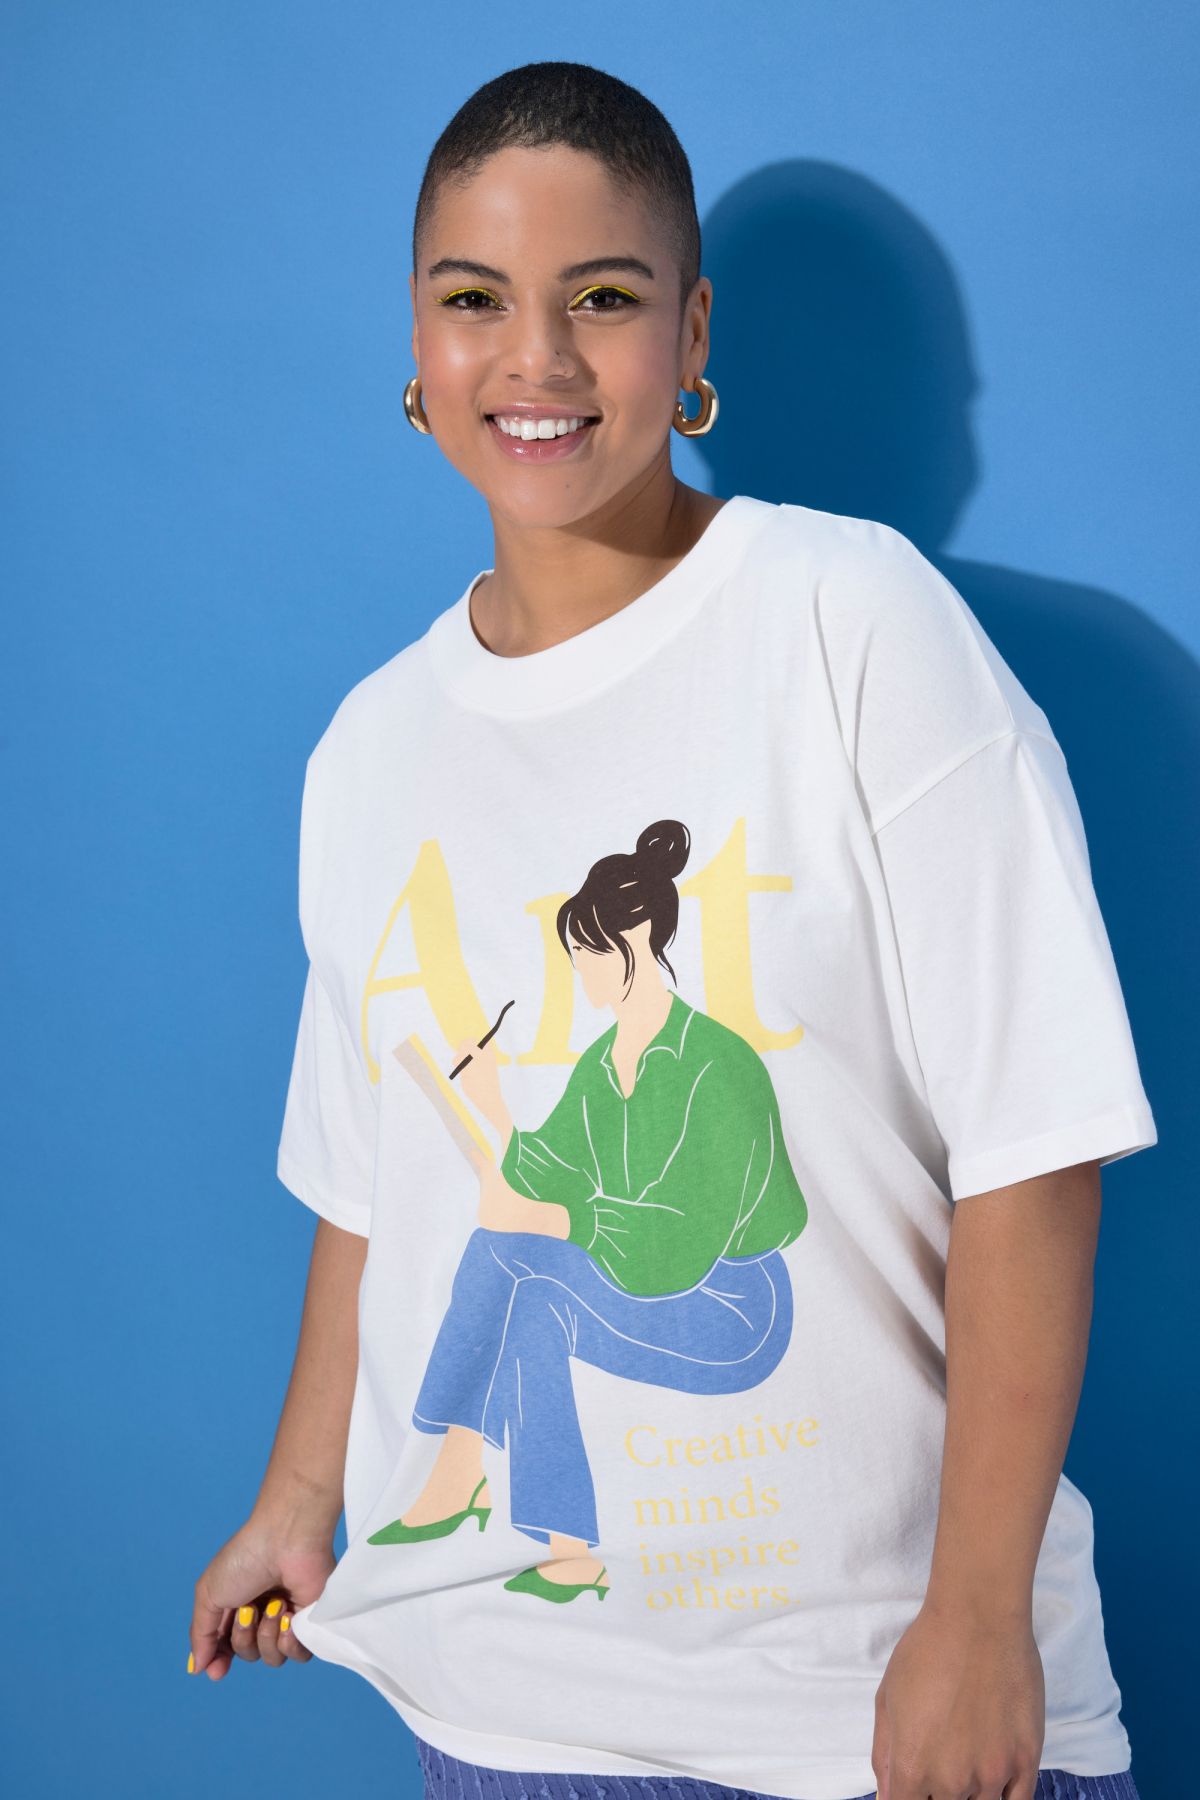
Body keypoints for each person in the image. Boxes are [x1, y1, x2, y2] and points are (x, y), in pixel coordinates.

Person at [188, 58, 1156, 1800]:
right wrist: (300, 1498)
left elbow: (1036, 1148)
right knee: (517, 1258)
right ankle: (488, 1513)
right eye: (474, 300)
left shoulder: (851, 622)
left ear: (691, 331)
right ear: (416, 341)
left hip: (866, 1701)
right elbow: (375, 1194)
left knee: (537, 1265)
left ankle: (486, 1488)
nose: (535, 359)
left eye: (603, 298)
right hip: (508, 1718)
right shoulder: (371, 749)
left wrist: (975, 1620)